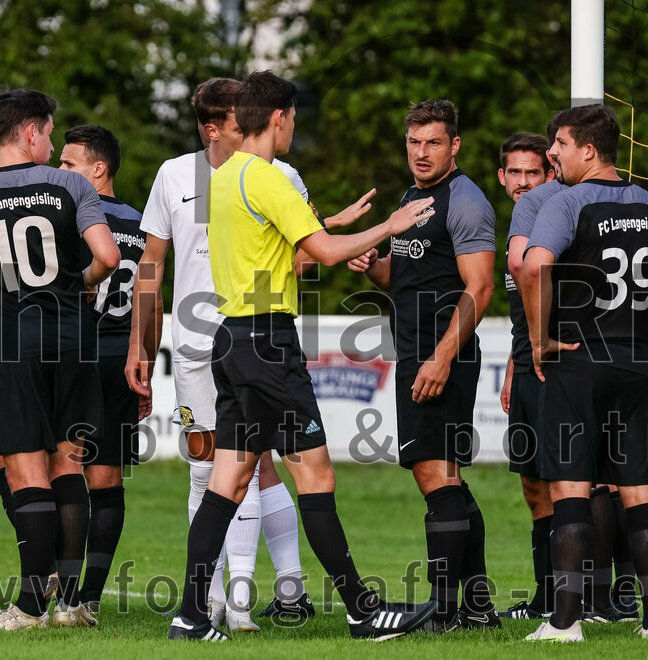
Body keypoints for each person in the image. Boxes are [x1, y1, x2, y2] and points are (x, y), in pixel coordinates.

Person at [167, 70, 439, 642]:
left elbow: (281, 252)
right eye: (294, 119)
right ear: (280, 118)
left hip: (232, 338)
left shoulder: (222, 176)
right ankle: (363, 611)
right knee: (314, 474)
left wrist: (330, 224)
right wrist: (389, 225)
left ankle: (190, 615)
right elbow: (325, 254)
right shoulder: (266, 179)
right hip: (269, 343)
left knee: (229, 478)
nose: (295, 129)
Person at [126, 77, 331, 632]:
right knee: (207, 467)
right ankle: (212, 603)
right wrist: (139, 345)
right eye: (235, 119)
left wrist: (320, 246)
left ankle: (249, 601)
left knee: (257, 466)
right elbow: (151, 266)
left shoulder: (280, 173)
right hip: (196, 345)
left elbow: (304, 257)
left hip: (254, 332)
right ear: (213, 127)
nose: (248, 126)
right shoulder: (174, 174)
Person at [520, 104, 648, 643]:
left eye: (559, 144)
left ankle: (565, 623)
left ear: (588, 150)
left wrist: (540, 338)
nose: (551, 153)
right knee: (640, 491)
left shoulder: (567, 202)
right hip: (637, 362)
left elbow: (533, 265)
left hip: (578, 359)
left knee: (570, 487)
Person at [0, 90, 119, 630]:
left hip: (15, 347)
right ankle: (68, 605)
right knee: (69, 466)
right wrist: (77, 283)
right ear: (31, 132)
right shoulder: (70, 184)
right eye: (47, 132)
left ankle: (27, 608)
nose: (50, 142)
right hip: (75, 342)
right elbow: (108, 257)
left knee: (25, 472)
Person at [349, 99, 498, 632]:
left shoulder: (465, 200)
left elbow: (479, 289)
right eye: (414, 142)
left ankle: (443, 610)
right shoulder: (414, 196)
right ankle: (476, 607)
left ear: (454, 145)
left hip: (443, 355)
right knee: (446, 476)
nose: (421, 152)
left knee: (433, 473)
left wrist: (439, 358)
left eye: (433, 142)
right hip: (418, 350)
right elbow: (406, 277)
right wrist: (374, 267)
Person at [58, 124, 154, 616]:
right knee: (107, 476)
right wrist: (147, 364)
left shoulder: (71, 214)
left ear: (99, 169)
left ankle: (58, 576)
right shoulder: (142, 222)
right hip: (121, 357)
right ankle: (88, 598)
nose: (59, 171)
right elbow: (151, 297)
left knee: (52, 466)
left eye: (68, 163)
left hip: (74, 352)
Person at [495, 131, 559, 620]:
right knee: (533, 484)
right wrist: (516, 366)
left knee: (585, 482)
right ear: (502, 177)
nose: (522, 181)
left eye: (532, 172)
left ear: (549, 174)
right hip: (527, 367)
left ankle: (607, 594)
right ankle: (547, 596)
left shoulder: (559, 215)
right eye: (514, 172)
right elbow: (524, 309)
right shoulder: (517, 223)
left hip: (565, 368)